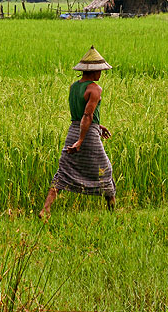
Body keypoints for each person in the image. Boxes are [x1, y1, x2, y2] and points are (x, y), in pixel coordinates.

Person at [39, 46, 116, 220]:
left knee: (63, 172)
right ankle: (112, 212)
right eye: (100, 71)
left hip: (73, 131)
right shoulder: (95, 89)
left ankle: (46, 209)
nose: (101, 74)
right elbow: (87, 115)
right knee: (105, 171)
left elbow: (82, 116)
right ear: (94, 71)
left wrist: (98, 126)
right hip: (86, 136)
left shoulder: (74, 87)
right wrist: (81, 141)